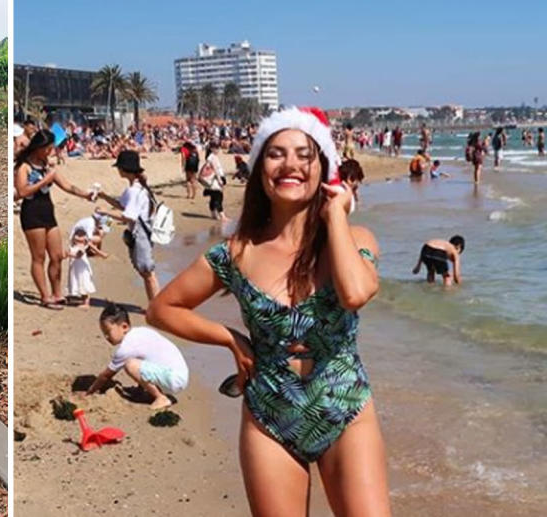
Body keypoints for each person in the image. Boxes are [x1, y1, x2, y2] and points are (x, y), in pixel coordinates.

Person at [147, 106, 391, 516]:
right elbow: (162, 309)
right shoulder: (236, 253)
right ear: (260, 169)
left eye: (304, 154)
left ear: (323, 168)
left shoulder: (355, 238)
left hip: (344, 409)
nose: (290, 164)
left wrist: (334, 215)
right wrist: (229, 338)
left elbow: (355, 293)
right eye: (276, 153)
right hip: (270, 418)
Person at [15, 129, 96, 310]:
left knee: (57, 256)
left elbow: (67, 186)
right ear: (39, 147)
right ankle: (45, 296)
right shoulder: (24, 167)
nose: (50, 151)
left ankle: (57, 292)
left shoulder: (47, 166)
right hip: (32, 214)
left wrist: (86, 195)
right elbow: (22, 192)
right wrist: (45, 181)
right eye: (48, 148)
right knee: (38, 257)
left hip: (48, 213)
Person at [86, 303, 189, 410]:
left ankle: (161, 398)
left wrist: (91, 391)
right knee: (140, 360)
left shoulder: (126, 347)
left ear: (124, 327)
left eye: (108, 332)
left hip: (173, 379)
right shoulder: (140, 332)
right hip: (179, 374)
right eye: (104, 334)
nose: (106, 337)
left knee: (130, 365)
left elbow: (106, 375)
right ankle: (141, 390)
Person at [96, 150, 160, 300]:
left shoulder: (133, 191)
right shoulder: (138, 188)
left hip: (141, 235)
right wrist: (104, 196)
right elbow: (122, 205)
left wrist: (105, 212)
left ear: (124, 169)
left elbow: (128, 217)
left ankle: (156, 306)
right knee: (147, 272)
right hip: (144, 232)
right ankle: (155, 304)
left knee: (147, 272)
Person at [67, 228, 108, 307]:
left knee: (83, 281)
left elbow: (80, 255)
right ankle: (81, 299)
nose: (78, 237)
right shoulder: (72, 245)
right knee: (76, 281)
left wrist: (102, 254)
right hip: (74, 268)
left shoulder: (84, 246)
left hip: (82, 268)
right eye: (77, 235)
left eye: (81, 235)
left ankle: (86, 302)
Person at [199, 142, 228, 220]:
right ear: (212, 149)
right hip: (214, 180)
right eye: (216, 148)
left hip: (211, 181)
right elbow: (215, 170)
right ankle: (222, 216)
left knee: (213, 197)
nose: (218, 150)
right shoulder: (213, 157)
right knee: (218, 197)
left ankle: (214, 214)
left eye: (218, 148)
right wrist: (220, 180)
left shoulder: (209, 157)